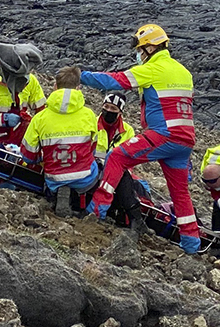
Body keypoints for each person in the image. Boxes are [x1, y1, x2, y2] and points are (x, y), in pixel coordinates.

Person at [82, 23, 203, 253]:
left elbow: (115, 81)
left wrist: (82, 76)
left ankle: (96, 212)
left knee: (116, 158)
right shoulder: (184, 72)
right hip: (185, 141)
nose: (138, 54)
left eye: (139, 49)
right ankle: (191, 244)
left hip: (164, 135)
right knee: (180, 193)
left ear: (149, 47)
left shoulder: (154, 69)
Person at [22, 66, 101, 217]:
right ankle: (82, 203)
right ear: (78, 88)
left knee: (52, 174)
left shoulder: (40, 118)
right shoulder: (89, 115)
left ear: (55, 87)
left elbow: (28, 154)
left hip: (54, 176)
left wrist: (42, 160)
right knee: (97, 167)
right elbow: (93, 148)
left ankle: (59, 191)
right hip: (85, 177)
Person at [95, 92, 143, 227]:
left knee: (125, 177)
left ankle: (133, 217)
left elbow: (129, 160)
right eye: (106, 106)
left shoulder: (128, 131)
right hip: (92, 166)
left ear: (120, 112)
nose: (108, 111)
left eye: (113, 109)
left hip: (115, 171)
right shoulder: (91, 122)